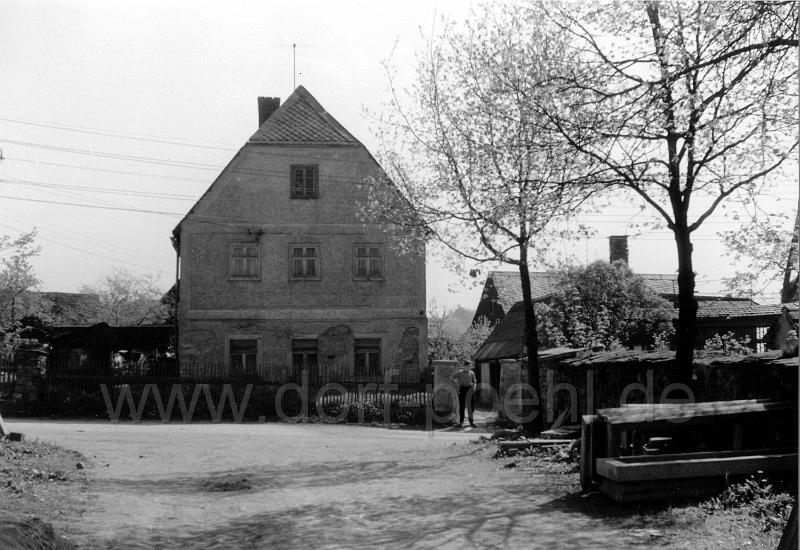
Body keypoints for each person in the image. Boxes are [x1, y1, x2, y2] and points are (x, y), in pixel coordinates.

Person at [450, 361, 477, 427]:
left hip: (470, 389)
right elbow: (452, 377)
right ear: (465, 366)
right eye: (470, 365)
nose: (471, 367)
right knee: (462, 406)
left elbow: (474, 382)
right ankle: (461, 422)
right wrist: (456, 382)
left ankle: (471, 422)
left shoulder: (472, 373)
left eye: (471, 366)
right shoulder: (460, 372)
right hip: (462, 389)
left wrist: (474, 388)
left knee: (471, 407)